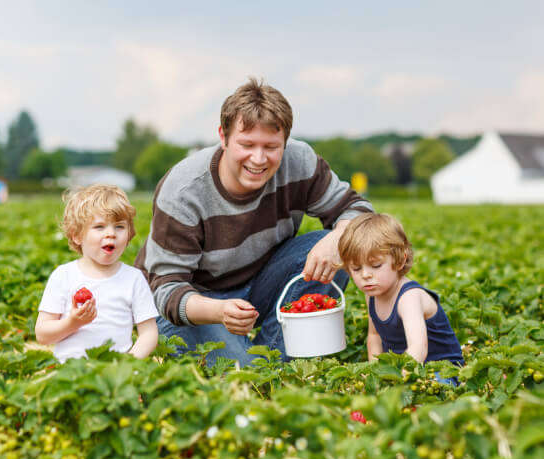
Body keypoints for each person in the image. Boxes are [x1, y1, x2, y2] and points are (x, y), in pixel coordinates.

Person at [134, 78, 373, 366]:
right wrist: (220, 311)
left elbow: (358, 210)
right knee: (245, 374)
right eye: (246, 144)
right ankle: (264, 363)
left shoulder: (299, 161)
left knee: (345, 243)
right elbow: (167, 290)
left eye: (271, 146)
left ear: (285, 140)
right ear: (223, 137)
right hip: (193, 302)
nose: (258, 159)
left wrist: (338, 239)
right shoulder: (184, 190)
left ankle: (275, 357)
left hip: (256, 282)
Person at [35, 184, 159, 362]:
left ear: (129, 234)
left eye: (119, 227)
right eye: (99, 227)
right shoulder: (63, 276)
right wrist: (72, 323)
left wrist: (128, 365)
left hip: (115, 372)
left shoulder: (134, 278)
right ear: (77, 235)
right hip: (70, 373)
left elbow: (149, 334)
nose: (111, 234)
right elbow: (42, 335)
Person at [337, 212, 463, 384]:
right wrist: (377, 372)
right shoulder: (372, 294)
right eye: (356, 268)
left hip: (440, 368)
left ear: (400, 260)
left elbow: (418, 348)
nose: (366, 275)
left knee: (433, 394)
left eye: (375, 265)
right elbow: (374, 336)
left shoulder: (408, 297)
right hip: (402, 368)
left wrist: (397, 379)